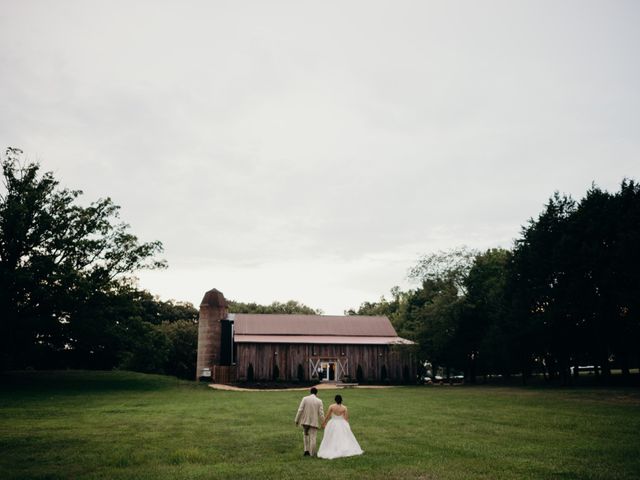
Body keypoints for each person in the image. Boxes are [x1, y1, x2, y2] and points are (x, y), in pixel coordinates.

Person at [317, 394, 364, 459]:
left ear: (335, 400)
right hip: (342, 423)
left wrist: (324, 422)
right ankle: (343, 448)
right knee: (343, 436)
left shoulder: (331, 406)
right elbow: (346, 418)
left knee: (331, 436)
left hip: (333, 423)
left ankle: (332, 447)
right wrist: (347, 425)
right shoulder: (344, 408)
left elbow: (327, 416)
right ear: (341, 400)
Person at [294, 387, 324, 456]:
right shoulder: (319, 401)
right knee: (313, 437)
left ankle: (306, 450)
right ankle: (312, 452)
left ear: (310, 392)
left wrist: (297, 420)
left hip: (305, 420)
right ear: (316, 393)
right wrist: (323, 422)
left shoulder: (305, 398)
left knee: (305, 435)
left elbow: (300, 410)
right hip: (314, 421)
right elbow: (321, 413)